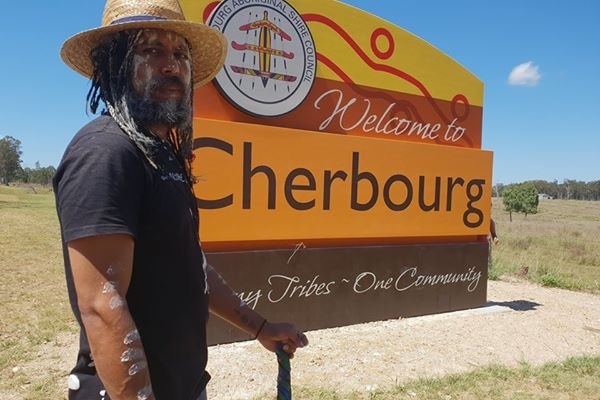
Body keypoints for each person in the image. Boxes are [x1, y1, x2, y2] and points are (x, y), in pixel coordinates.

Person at [53, 1, 308, 399]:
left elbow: (190, 262)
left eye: (179, 54)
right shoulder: (105, 152)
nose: (171, 65)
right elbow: (102, 306)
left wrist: (259, 327)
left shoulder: (161, 154)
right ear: (111, 65)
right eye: (151, 50)